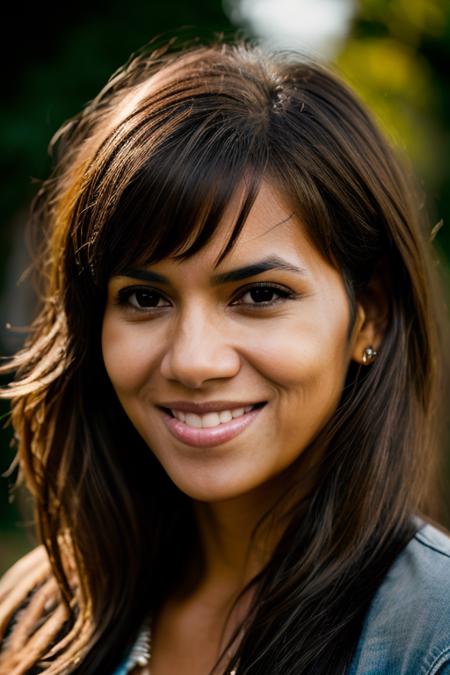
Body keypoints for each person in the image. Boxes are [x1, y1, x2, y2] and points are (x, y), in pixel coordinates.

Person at [0, 35, 449, 675]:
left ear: (367, 313)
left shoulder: (434, 638)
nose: (193, 361)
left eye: (259, 294)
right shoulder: (36, 612)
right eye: (145, 298)